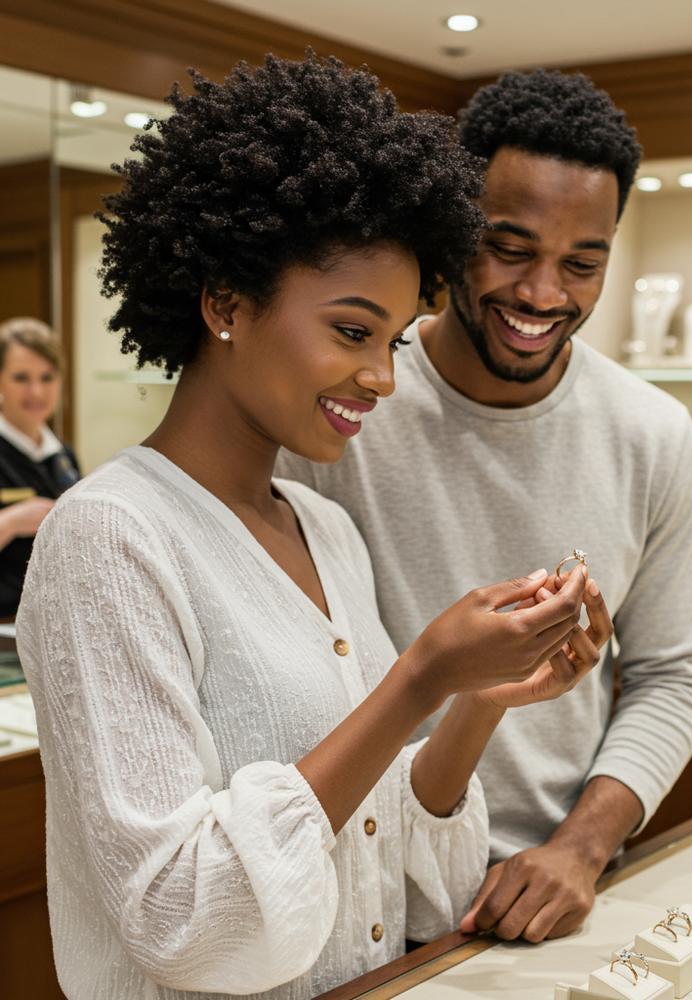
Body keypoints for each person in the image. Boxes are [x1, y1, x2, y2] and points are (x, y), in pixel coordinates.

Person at [16, 54, 612, 1000]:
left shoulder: (325, 528)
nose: (383, 377)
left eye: (394, 341)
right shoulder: (109, 538)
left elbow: (391, 870)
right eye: (351, 331)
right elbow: (181, 917)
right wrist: (419, 678)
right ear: (226, 303)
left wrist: (480, 699)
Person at [277, 68, 692, 943]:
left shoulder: (653, 433)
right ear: (454, 232)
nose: (543, 294)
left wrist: (580, 849)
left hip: (554, 891)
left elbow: (674, 677)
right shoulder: (345, 407)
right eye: (509, 248)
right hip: (359, 896)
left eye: (582, 263)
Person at [0, 318, 79, 617]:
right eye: (21, 378)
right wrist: (11, 521)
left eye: (47, 378)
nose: (36, 392)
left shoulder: (64, 456)